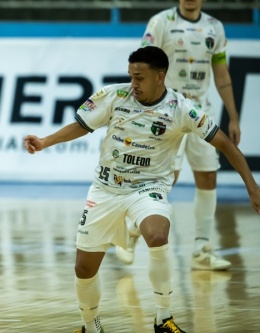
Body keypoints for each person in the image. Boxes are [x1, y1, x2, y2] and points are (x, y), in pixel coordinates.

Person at [23, 46, 260, 333]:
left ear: (160, 77)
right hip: (106, 189)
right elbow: (81, 126)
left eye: (139, 78)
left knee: (157, 234)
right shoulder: (115, 95)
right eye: (131, 76)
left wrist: (252, 185)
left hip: (148, 188)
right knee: (83, 269)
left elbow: (224, 143)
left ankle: (163, 318)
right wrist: (44, 141)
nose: (133, 84)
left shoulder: (181, 108)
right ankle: (91, 326)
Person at [116, 0, 241, 271]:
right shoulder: (160, 22)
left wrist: (233, 115)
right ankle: (131, 230)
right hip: (166, 110)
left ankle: (202, 250)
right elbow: (142, 66)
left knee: (207, 175)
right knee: (165, 178)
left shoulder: (214, 28)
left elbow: (221, 74)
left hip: (199, 110)